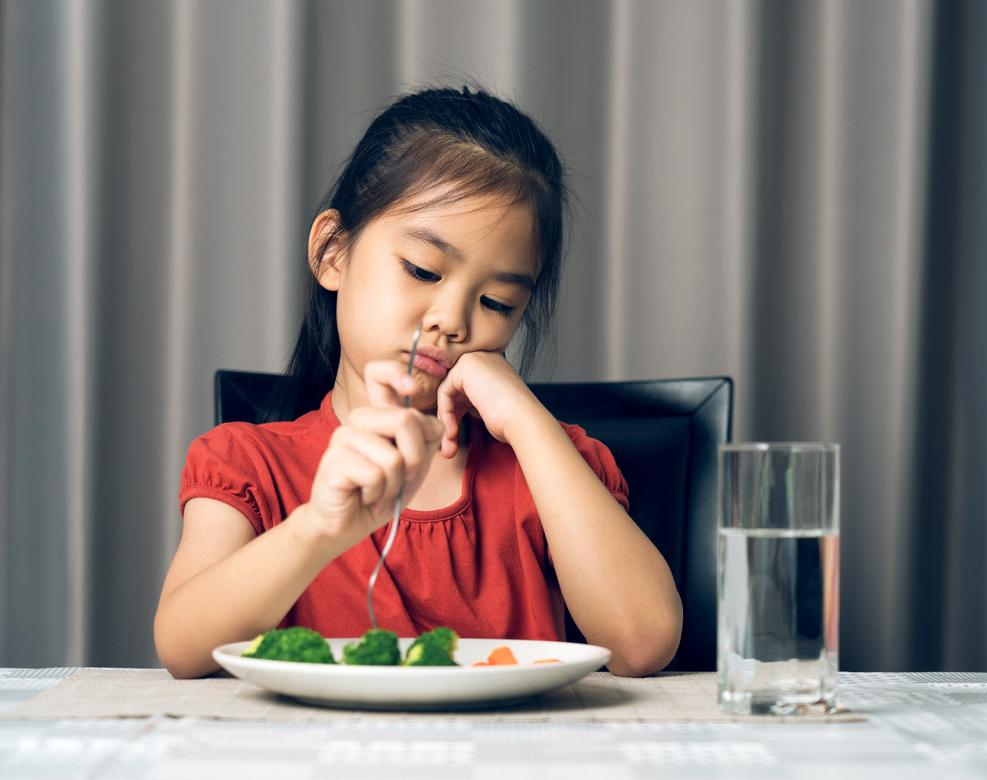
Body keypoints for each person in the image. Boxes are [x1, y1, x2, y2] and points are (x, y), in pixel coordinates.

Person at [153, 86, 683, 679]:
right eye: (423, 271)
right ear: (332, 253)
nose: (451, 321)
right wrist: (318, 530)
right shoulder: (247, 463)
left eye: (497, 302)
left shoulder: (554, 466)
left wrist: (527, 420)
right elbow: (182, 648)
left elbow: (642, 642)